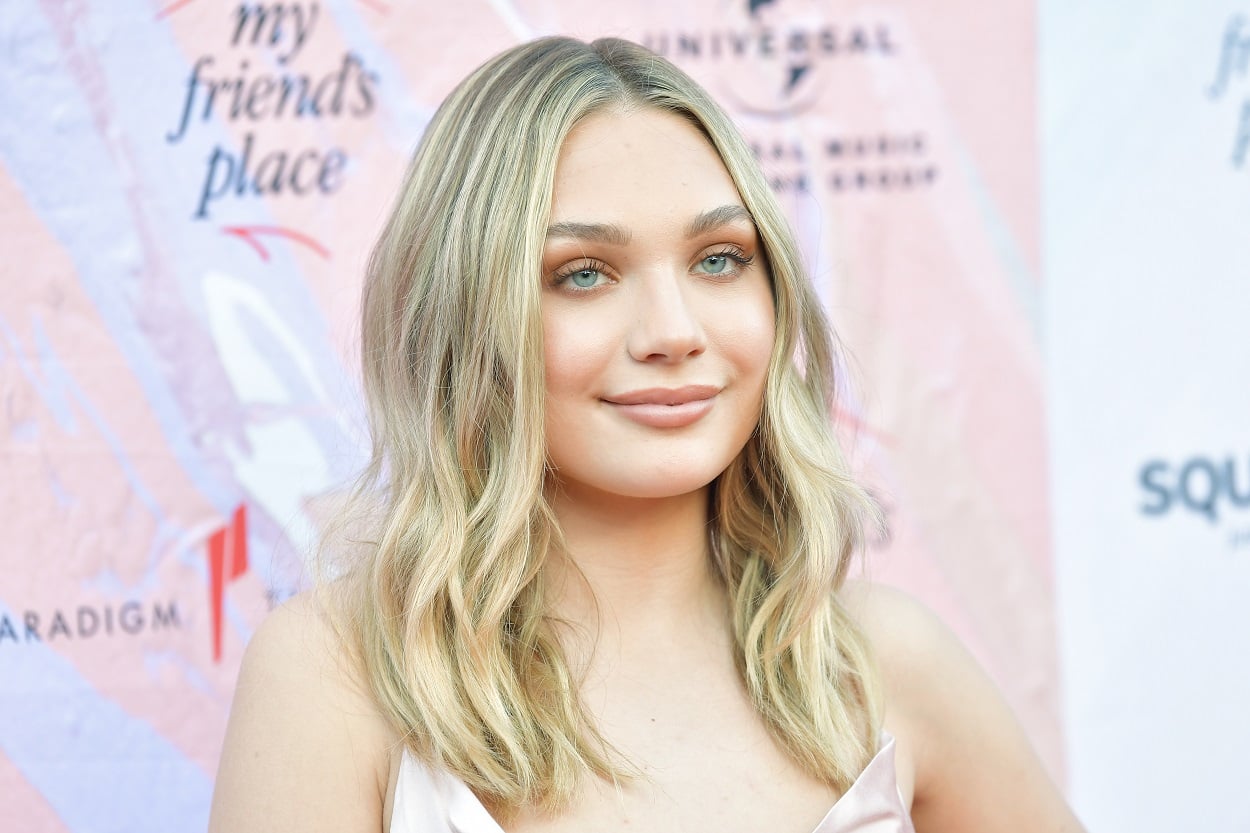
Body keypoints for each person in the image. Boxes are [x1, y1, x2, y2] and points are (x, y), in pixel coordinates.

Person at [208, 36, 1085, 833]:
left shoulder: (884, 661)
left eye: (719, 259)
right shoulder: (333, 673)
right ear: (465, 316)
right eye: (583, 273)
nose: (674, 330)